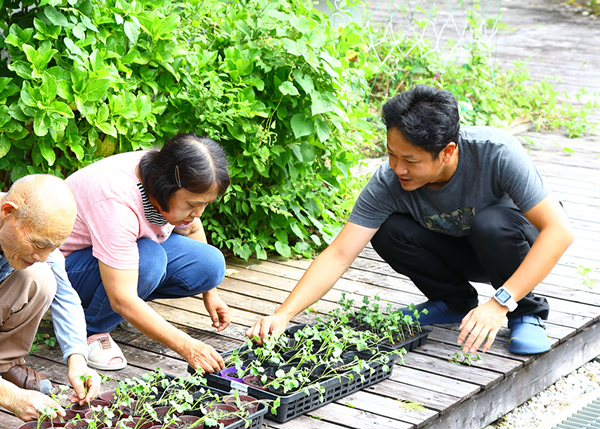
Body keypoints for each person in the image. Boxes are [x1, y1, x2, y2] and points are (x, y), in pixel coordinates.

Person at [247, 85, 574, 355]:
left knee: (491, 223)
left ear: (446, 151)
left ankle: (527, 312)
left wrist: (500, 302)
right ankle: (453, 301)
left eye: (410, 160)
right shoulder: (389, 180)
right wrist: (283, 314)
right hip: (463, 249)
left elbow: (559, 232)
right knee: (388, 231)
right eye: (391, 153)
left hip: (513, 246)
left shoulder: (496, 152)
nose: (397, 167)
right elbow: (339, 253)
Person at [62, 133, 231, 372]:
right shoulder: (117, 199)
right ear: (165, 187)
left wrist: (210, 294)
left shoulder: (163, 172)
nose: (200, 212)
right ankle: (91, 331)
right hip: (65, 271)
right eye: (193, 205)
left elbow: (192, 228)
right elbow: (122, 297)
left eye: (206, 204)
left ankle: (123, 314)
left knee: (209, 264)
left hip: (120, 257)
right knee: (149, 259)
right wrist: (187, 346)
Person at [0, 175, 100, 421]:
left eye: (52, 247)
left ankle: (4, 365)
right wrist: (10, 396)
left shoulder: (37, 240)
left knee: (40, 277)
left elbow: (66, 298)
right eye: (39, 244)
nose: (44, 256)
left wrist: (78, 361)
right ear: (7, 212)